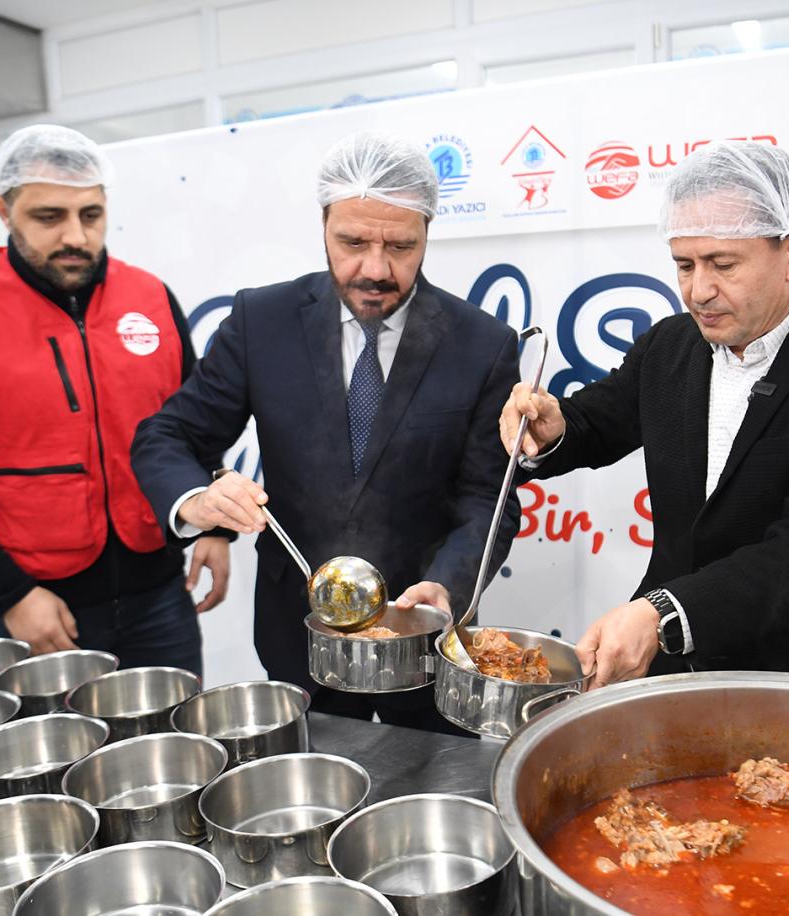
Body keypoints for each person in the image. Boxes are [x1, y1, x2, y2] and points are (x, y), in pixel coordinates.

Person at [132, 132, 520, 733]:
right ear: (323, 226)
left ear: (428, 232)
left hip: (423, 640)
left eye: (400, 245)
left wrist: (446, 589)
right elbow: (169, 435)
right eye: (353, 242)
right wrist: (198, 501)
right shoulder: (262, 321)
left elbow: (487, 500)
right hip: (297, 636)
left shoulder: (483, 343)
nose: (375, 269)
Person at [502, 141, 789, 690]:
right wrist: (551, 431)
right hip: (675, 671)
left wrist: (664, 613)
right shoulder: (669, 345)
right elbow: (594, 425)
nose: (699, 291)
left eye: (723, 265)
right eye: (685, 265)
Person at [0, 124, 229, 675]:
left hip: (160, 599)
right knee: (64, 762)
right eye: (49, 217)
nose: (75, 235)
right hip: (41, 608)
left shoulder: (150, 297)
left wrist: (212, 523)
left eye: (90, 215)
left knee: (178, 749)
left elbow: (193, 428)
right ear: (4, 210)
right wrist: (10, 596)